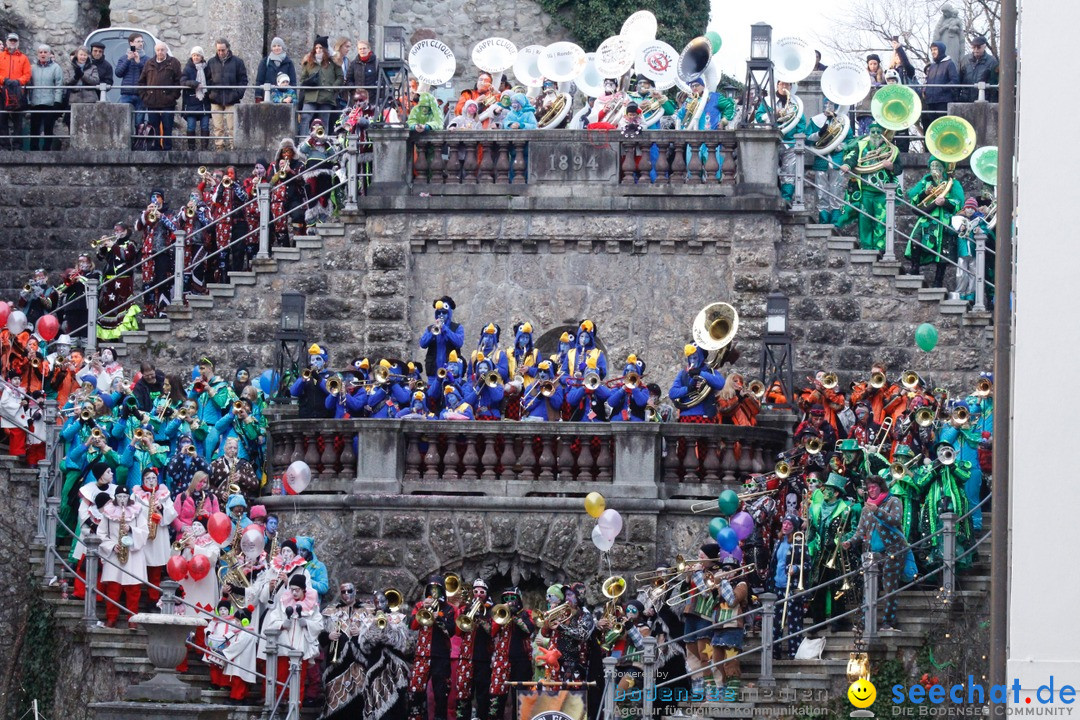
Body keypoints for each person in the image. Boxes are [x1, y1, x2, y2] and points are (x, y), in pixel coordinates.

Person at [844, 474, 908, 632]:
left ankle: (888, 622)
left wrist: (878, 511)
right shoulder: (866, 508)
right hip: (872, 553)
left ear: (881, 488)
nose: (871, 490)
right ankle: (864, 623)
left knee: (889, 588)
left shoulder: (894, 501)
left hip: (893, 550)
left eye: (874, 487)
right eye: (869, 487)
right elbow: (860, 531)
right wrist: (850, 542)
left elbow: (896, 520)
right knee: (868, 589)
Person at [841, 122, 903, 252]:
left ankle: (880, 249)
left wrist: (890, 166)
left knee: (882, 221)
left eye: (878, 132)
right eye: (873, 132)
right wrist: (847, 165)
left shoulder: (891, 149)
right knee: (864, 220)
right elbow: (852, 158)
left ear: (883, 134)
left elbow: (899, 169)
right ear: (869, 133)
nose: (875, 134)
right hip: (865, 191)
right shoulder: (861, 145)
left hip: (882, 192)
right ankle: (866, 247)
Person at [905, 157, 965, 288]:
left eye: (937, 166)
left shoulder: (952, 183)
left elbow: (959, 203)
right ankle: (914, 269)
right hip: (927, 219)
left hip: (943, 220)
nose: (934, 169)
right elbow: (914, 200)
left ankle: (938, 281)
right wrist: (924, 193)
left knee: (943, 250)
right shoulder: (925, 182)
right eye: (932, 166)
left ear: (943, 168)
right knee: (916, 240)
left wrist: (946, 202)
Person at [96, 485, 148, 628]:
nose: (122, 500)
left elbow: (145, 532)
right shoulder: (108, 513)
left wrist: (131, 529)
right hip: (115, 553)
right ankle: (111, 618)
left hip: (133, 554)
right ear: (115, 498)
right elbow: (101, 534)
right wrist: (112, 545)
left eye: (125, 497)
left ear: (129, 497)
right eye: (120, 497)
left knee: (133, 590)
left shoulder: (137, 511)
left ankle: (133, 619)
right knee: (113, 588)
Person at [408, 575, 456, 720]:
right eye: (431, 589)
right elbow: (412, 626)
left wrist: (438, 618)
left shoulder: (449, 609)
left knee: (441, 693)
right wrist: (423, 608)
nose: (434, 592)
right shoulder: (420, 606)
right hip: (422, 654)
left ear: (442, 590)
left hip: (441, 656)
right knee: (416, 690)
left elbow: (451, 631)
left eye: (437, 589)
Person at [138, 42, 183, 151]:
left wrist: (173, 96)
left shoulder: (174, 63)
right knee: (154, 127)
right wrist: (145, 97)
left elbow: (179, 81)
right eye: (158, 50)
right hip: (152, 101)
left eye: (162, 50)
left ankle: (167, 149)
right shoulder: (149, 63)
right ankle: (155, 147)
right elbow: (141, 82)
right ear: (155, 51)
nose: (160, 52)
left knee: (167, 127)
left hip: (167, 102)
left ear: (166, 50)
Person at [205, 38, 248, 151]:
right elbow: (207, 79)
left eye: (222, 50)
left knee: (232, 126)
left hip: (231, 98)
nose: (220, 52)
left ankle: (233, 147)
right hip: (216, 98)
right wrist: (211, 93)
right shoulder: (211, 62)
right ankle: (219, 147)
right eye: (218, 50)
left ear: (228, 48)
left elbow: (243, 80)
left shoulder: (238, 62)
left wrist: (238, 94)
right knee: (217, 126)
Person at [298, 36, 343, 136]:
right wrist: (309, 82)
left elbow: (340, 77)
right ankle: (302, 141)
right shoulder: (309, 62)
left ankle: (323, 143)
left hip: (327, 96)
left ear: (325, 49)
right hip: (311, 96)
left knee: (324, 121)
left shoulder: (333, 63)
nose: (318, 50)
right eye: (316, 48)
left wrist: (333, 88)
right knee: (305, 117)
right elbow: (302, 79)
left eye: (320, 48)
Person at [28, 44, 63, 151]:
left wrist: (57, 101)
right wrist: (28, 101)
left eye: (45, 52)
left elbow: (59, 85)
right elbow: (28, 86)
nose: (43, 54)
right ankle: (34, 149)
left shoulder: (56, 68)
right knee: (34, 128)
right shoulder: (32, 68)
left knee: (49, 128)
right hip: (35, 102)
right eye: (41, 52)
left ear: (49, 54)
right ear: (38, 54)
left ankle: (47, 149)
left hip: (49, 102)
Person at [0, 33, 31, 150]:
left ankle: (18, 146)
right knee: (2, 119)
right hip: (2, 91)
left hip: (17, 93)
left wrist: (18, 82)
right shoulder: (0, 56)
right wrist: (4, 80)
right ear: (7, 41)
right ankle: (4, 146)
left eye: (14, 41)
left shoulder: (23, 58)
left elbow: (27, 74)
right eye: (11, 40)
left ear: (17, 42)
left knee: (18, 120)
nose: (12, 42)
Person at [921, 42, 959, 129]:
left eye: (935, 49)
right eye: (932, 50)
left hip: (943, 101)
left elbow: (955, 81)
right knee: (933, 128)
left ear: (941, 50)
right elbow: (928, 82)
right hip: (930, 102)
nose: (933, 52)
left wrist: (941, 88)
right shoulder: (932, 66)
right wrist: (925, 90)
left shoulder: (949, 64)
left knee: (943, 128)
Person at [115, 32, 148, 128]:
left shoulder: (146, 59)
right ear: (131, 43)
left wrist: (138, 62)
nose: (141, 44)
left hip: (140, 94)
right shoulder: (123, 58)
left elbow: (148, 75)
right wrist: (128, 59)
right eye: (138, 41)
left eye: (142, 41)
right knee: (124, 122)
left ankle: (138, 143)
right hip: (126, 93)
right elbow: (118, 73)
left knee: (139, 123)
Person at [181, 46, 211, 150]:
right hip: (191, 102)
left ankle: (204, 149)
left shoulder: (206, 68)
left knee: (205, 126)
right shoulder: (188, 68)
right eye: (194, 55)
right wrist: (195, 84)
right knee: (191, 126)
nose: (195, 57)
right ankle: (191, 149)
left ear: (201, 57)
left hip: (204, 101)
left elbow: (211, 80)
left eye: (198, 55)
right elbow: (183, 81)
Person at [959, 35, 999, 102]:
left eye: (978, 47)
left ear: (984, 47)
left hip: (984, 99)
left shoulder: (992, 62)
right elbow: (959, 79)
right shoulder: (965, 60)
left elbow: (994, 85)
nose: (976, 50)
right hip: (965, 99)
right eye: (974, 47)